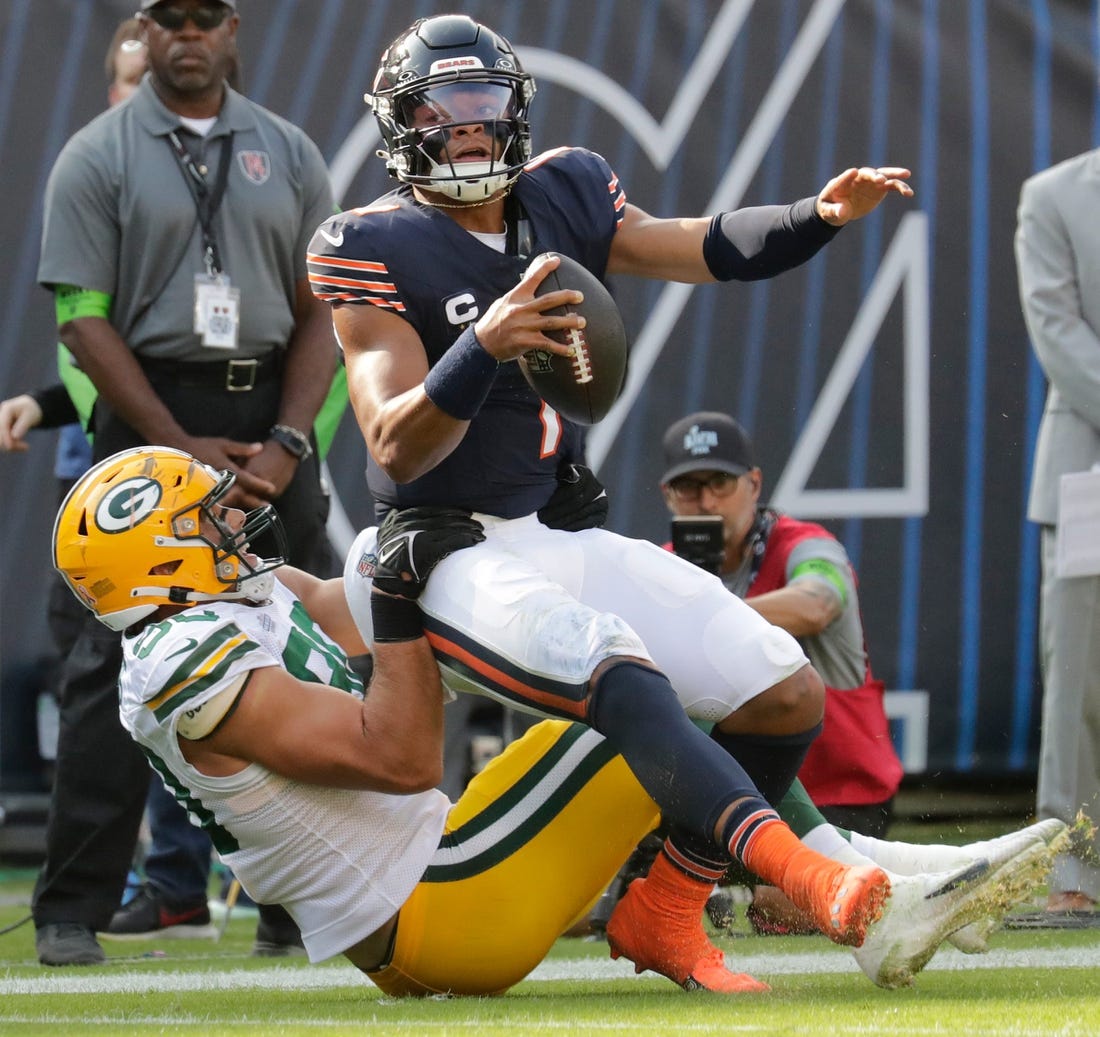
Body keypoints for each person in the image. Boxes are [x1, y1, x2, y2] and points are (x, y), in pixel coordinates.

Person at [303, 14, 1057, 992]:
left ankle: (664, 907)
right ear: (401, 125)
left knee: (777, 680)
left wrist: (813, 218)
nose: (468, 131)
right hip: (440, 552)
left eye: (485, 108)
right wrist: (480, 347)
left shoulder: (562, 193)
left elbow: (695, 246)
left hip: (544, 529)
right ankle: (820, 882)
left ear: (515, 114)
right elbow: (392, 439)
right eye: (442, 113)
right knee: (617, 665)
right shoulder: (369, 243)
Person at [50, 447, 1061, 995]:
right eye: (206, 522)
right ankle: (847, 890)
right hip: (437, 914)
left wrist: (496, 550)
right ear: (157, 563)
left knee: (617, 678)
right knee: (632, 696)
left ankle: (861, 870)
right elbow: (396, 755)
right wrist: (403, 596)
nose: (237, 521)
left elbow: (362, 607)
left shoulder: (229, 605)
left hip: (443, 868)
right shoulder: (182, 660)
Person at [32, 0, 339, 967]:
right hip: (149, 418)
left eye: (206, 17)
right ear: (145, 29)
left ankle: (302, 901)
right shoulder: (96, 153)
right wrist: (177, 452)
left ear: (234, 28)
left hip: (268, 421)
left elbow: (322, 311)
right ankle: (72, 907)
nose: (189, 35)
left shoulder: (288, 152)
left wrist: (288, 442)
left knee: (305, 647)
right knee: (103, 665)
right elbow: (83, 320)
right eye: (171, 19)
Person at [657, 410, 904, 933]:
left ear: (753, 484)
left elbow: (816, 604)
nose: (705, 503)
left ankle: (862, 880)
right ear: (667, 497)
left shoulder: (806, 545)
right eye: (688, 488)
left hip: (839, 793)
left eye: (720, 484)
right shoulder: (662, 567)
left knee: (776, 906)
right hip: (727, 800)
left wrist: (706, 613)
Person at [1014, 150, 1100, 923]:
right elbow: (1056, 329)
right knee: (1080, 676)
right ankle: (1074, 872)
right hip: (1088, 469)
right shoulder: (1052, 196)